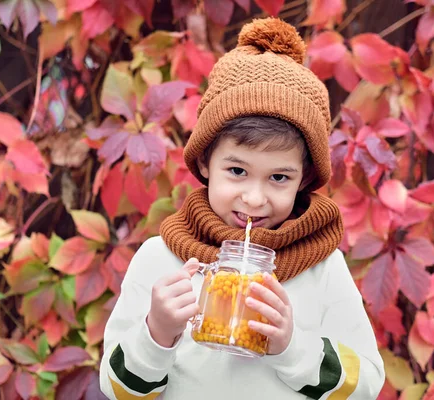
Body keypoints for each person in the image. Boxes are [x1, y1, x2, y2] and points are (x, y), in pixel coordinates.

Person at [99, 17, 385, 400]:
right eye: (237, 171)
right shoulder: (160, 259)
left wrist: (291, 347)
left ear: (305, 178)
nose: (254, 198)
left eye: (279, 178)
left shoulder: (321, 267)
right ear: (204, 162)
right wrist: (157, 333)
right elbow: (116, 391)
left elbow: (366, 386)